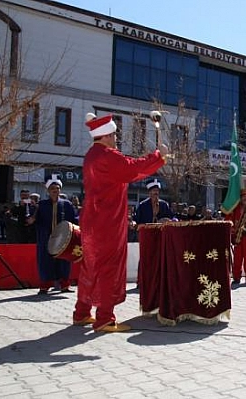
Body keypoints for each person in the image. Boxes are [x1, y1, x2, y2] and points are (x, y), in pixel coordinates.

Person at [73, 113, 167, 333]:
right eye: (114, 134)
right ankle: (104, 318)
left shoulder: (91, 156)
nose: (116, 138)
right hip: (107, 221)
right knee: (108, 266)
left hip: (92, 219)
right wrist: (158, 156)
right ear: (105, 135)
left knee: (90, 266)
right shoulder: (107, 156)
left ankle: (81, 312)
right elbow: (132, 168)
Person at [29, 175, 77, 294]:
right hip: (46, 238)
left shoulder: (67, 204)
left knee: (64, 260)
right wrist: (32, 220)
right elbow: (35, 220)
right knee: (45, 261)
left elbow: (74, 220)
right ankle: (45, 285)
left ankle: (65, 285)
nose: (55, 191)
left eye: (57, 189)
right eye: (52, 189)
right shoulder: (42, 205)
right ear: (48, 191)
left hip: (63, 238)